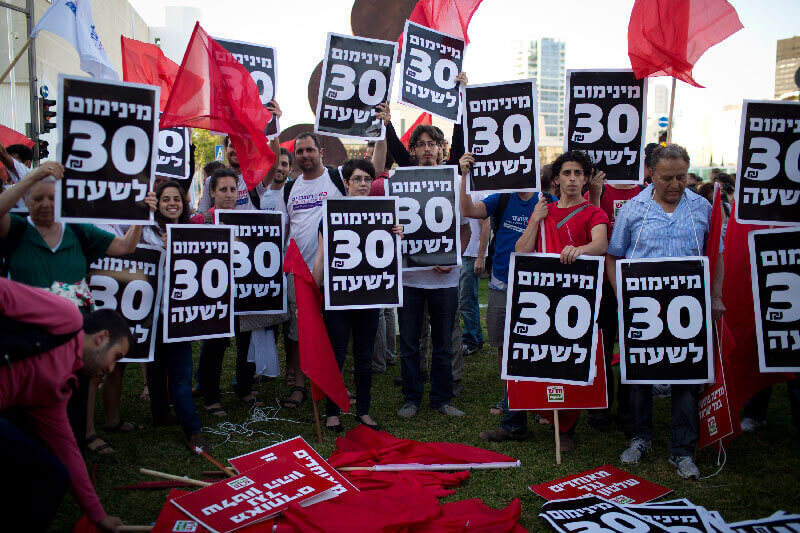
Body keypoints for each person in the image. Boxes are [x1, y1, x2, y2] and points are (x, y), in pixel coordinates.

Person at [0, 159, 156, 455]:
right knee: (31, 403)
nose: (45, 204)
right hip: (27, 340)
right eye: (37, 198)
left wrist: (141, 214)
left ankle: (84, 435)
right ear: (25, 200)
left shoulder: (80, 232)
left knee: (79, 387)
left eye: (52, 198)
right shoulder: (17, 231)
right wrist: (32, 176)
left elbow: (125, 247)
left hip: (74, 337)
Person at [606, 144, 725, 479]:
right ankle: (640, 437)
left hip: (688, 309)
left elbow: (716, 255)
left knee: (686, 378)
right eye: (667, 177)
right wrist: (622, 293)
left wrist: (715, 295)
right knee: (639, 377)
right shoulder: (633, 209)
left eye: (681, 177)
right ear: (651, 175)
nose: (675, 184)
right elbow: (613, 255)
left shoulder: (701, 208)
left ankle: (683, 449)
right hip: (642, 307)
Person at [479, 151, 609, 452]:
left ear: (585, 179)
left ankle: (565, 429)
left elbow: (601, 243)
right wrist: (535, 220)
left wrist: (580, 250)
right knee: (524, 357)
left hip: (575, 298)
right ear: (557, 179)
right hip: (539, 296)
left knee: (568, 359)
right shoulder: (544, 210)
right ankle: (514, 424)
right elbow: (522, 250)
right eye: (567, 173)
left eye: (578, 173)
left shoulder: (593, 213)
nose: (573, 178)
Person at [0, 277, 129, 532]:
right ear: (102, 338)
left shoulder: (59, 389)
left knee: (54, 475)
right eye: (116, 357)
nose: (112, 368)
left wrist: (98, 516)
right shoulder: (66, 315)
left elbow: (67, 450)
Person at [373, 105, 471, 419]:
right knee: (411, 343)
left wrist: (454, 259)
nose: (427, 149)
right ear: (412, 151)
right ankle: (412, 398)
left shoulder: (454, 179)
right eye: (421, 145)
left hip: (445, 278)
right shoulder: (399, 180)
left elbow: (466, 228)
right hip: (411, 278)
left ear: (441, 149)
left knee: (443, 342)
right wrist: (387, 124)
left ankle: (442, 398)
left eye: (432, 143)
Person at [311, 158, 403, 431]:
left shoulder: (385, 214)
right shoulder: (331, 213)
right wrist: (313, 294)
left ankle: (363, 410)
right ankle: (332, 412)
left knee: (364, 355)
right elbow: (320, 257)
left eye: (367, 179)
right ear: (347, 183)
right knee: (337, 355)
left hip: (369, 296)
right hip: (339, 295)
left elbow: (389, 256)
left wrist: (398, 234)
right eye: (357, 179)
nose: (363, 184)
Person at [276, 132, 347, 409]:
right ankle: (299, 384)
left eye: (309, 150)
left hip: (334, 270)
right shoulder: (289, 188)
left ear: (321, 152)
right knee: (298, 331)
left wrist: (381, 129)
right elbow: (287, 229)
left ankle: (334, 382)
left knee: (333, 332)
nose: (304, 155)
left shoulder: (336, 178)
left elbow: (375, 166)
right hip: (300, 273)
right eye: (299, 151)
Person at [140, 180, 207, 451]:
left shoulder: (192, 231)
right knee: (155, 368)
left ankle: (193, 429)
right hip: (150, 313)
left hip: (179, 315)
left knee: (180, 375)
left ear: (184, 203)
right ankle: (160, 414)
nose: (171, 203)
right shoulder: (146, 232)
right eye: (166, 199)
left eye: (176, 199)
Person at [193, 169, 264, 416]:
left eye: (233, 189)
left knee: (246, 342)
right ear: (212, 192)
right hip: (214, 297)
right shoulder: (201, 221)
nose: (229, 195)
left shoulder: (247, 220)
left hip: (244, 294)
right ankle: (211, 396)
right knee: (215, 346)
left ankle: (244, 389)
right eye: (223, 189)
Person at [585, 169, 646, 432]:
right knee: (603, 348)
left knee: (633, 351)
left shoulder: (646, 192)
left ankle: (628, 410)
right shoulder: (598, 189)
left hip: (638, 283)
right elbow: (589, 228)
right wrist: (596, 194)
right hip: (603, 285)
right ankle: (600, 408)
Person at [197, 100, 282, 212]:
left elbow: (273, 165)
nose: (236, 150)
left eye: (241, 146)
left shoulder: (254, 179)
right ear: (226, 148)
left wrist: (272, 126)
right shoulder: (211, 180)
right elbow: (202, 214)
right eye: (232, 146)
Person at [260, 146, 293, 211]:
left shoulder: (294, 193)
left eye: (284, 164)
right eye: (275, 164)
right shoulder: (259, 193)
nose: (279, 168)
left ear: (290, 169)